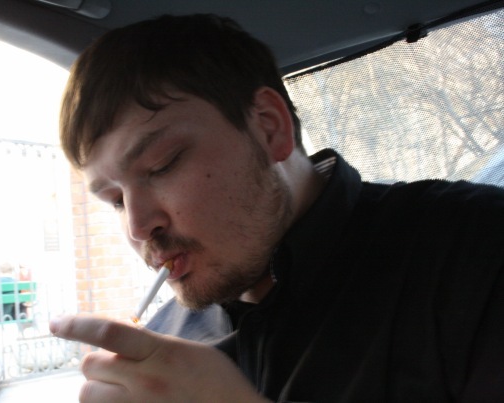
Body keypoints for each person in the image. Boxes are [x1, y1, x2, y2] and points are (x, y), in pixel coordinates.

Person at [50, 14, 504, 402]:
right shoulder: (164, 345)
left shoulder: (473, 249)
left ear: (269, 129)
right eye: (114, 200)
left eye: (163, 165)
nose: (137, 225)